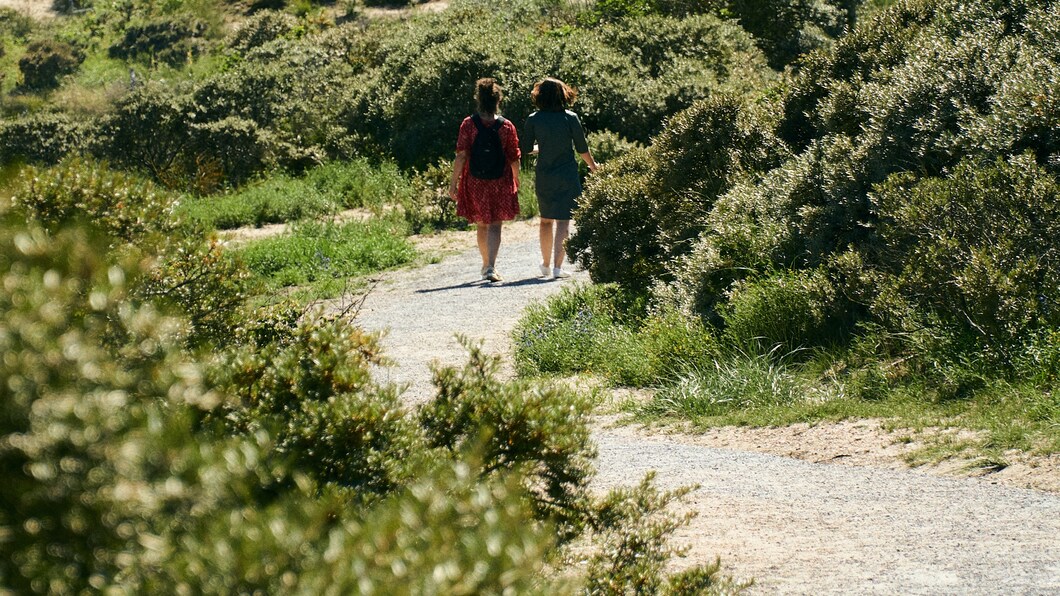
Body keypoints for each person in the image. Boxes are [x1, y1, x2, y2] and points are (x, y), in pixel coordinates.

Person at [520, 77, 598, 279]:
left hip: (544, 175)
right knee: (563, 221)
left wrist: (542, 148)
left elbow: (526, 149)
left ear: (539, 96)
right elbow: (582, 149)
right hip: (567, 174)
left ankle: (545, 264)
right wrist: (593, 166)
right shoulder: (570, 118)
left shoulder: (533, 119)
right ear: (563, 95)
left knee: (545, 220)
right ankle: (557, 267)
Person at [449, 77, 522, 283]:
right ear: (498, 99)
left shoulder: (468, 124)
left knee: (482, 224)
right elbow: (514, 156)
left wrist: (453, 183)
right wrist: (516, 179)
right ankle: (491, 266)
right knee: (495, 224)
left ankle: (485, 265)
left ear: (478, 99)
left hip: (475, 180)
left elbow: (461, 155)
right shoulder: (507, 126)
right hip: (500, 180)